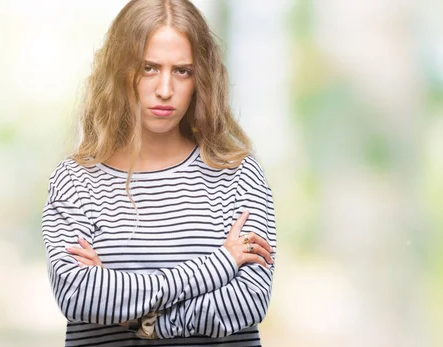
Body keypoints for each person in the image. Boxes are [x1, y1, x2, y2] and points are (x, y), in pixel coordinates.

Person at [40, 0, 277, 345]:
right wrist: (220, 264)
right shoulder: (76, 180)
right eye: (149, 67)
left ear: (201, 79)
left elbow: (246, 302)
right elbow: (79, 295)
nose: (165, 89)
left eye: (182, 71)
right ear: (120, 70)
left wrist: (140, 319)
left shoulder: (239, 174)